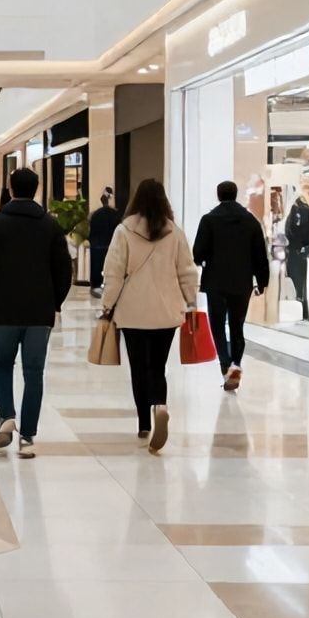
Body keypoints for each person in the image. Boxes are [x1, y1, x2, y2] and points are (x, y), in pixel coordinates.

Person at [0, 167, 71, 459]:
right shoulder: (49, 226)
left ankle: (6, 417)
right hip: (39, 312)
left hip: (3, 310)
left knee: (2, 365)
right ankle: (27, 436)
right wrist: (55, 301)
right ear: (36, 190)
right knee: (34, 372)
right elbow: (63, 268)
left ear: (11, 189)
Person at [99, 178, 198, 454]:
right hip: (167, 313)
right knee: (158, 366)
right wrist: (191, 302)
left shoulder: (124, 231)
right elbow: (187, 271)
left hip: (132, 312)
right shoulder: (175, 233)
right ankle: (160, 404)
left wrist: (107, 306)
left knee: (139, 367)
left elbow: (114, 272)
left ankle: (143, 422)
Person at [192, 180, 268, 392]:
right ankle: (236, 363)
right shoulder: (250, 221)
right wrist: (262, 281)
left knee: (217, 325)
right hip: (242, 282)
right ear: (236, 195)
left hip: (216, 282)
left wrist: (204, 261)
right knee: (237, 325)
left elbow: (197, 253)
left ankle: (225, 363)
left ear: (218, 195)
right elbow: (260, 254)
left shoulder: (209, 220)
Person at [87, 188, 120, 297]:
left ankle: (96, 287)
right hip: (110, 246)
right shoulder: (115, 214)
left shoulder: (95, 214)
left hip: (97, 246)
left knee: (97, 267)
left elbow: (91, 231)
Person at [285, 186, 309, 320]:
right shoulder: (300, 209)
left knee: (298, 282)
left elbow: (290, 232)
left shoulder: (300, 209)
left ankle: (302, 310)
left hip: (296, 252)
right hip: (298, 251)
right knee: (299, 283)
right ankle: (303, 310)